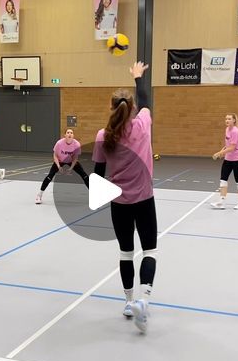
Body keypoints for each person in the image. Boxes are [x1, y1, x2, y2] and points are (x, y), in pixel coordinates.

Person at [92, 61, 157, 333]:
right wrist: (138, 78)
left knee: (126, 253)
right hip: (144, 199)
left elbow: (97, 174)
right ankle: (144, 298)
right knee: (150, 250)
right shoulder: (142, 124)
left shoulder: (102, 136)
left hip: (119, 204)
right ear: (131, 109)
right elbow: (146, 100)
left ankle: (129, 302)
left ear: (111, 107)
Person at [35, 129, 89, 204]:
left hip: (71, 161)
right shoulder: (59, 143)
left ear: (73, 135)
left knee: (84, 175)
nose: (70, 134)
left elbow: (75, 158)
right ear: (65, 135)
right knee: (50, 176)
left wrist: (71, 168)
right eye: (68, 132)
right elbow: (55, 155)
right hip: (60, 160)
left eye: (71, 133)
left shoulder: (76, 144)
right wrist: (58, 166)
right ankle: (39, 195)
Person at [211, 113, 238, 210]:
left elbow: (232, 148)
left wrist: (219, 153)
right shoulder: (227, 129)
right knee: (223, 180)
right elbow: (228, 145)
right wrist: (223, 151)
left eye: (229, 119)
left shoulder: (235, 131)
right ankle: (221, 202)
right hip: (228, 159)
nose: (227, 120)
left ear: (234, 120)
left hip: (237, 160)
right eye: (226, 119)